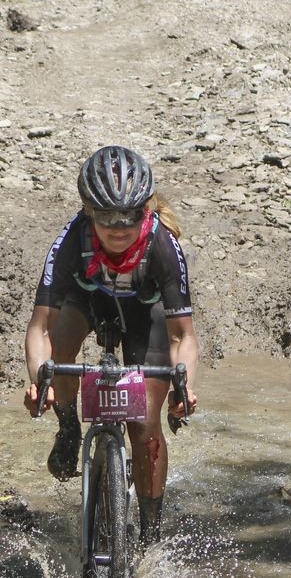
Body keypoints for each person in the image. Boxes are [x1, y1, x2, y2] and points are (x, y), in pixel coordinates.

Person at [23, 145, 198, 547]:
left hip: (146, 313)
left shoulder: (163, 245)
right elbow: (40, 329)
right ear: (88, 213)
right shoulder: (70, 240)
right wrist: (40, 381)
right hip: (89, 300)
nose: (119, 228)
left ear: (145, 211)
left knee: (145, 424)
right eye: (106, 219)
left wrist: (185, 386)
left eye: (130, 217)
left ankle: (150, 533)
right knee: (61, 350)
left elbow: (183, 335)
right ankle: (68, 427)